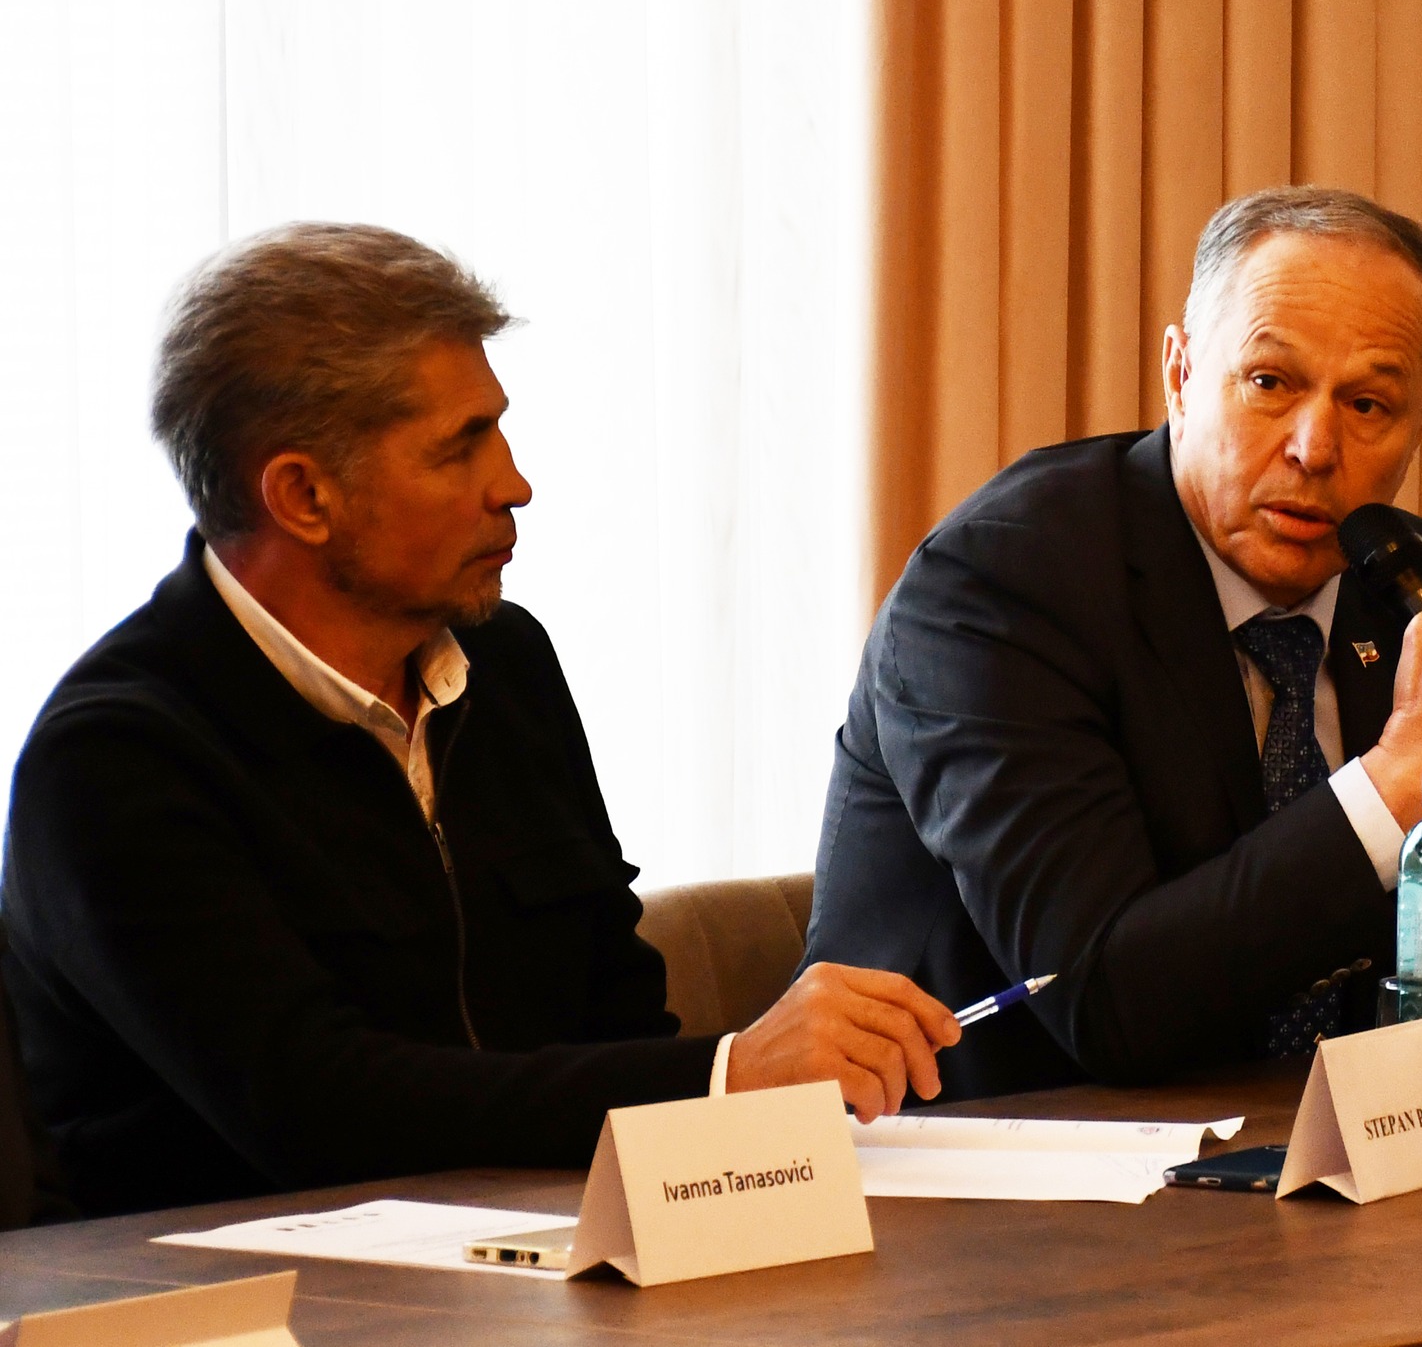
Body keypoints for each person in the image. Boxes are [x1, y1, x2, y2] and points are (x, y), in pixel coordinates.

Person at [1, 224, 957, 1216]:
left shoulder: (506, 666)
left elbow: (614, 1011)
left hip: (530, 1252)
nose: (514, 484)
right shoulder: (114, 758)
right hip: (232, 1281)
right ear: (303, 495)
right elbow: (313, 1106)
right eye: (460, 447)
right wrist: (726, 1076)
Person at [805, 185, 1422, 1101]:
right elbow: (1105, 999)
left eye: (1368, 404)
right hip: (1004, 1182)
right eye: (1268, 383)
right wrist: (1400, 773)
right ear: (1180, 374)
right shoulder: (1003, 583)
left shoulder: (1404, 576)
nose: (1313, 448)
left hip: (1319, 1166)